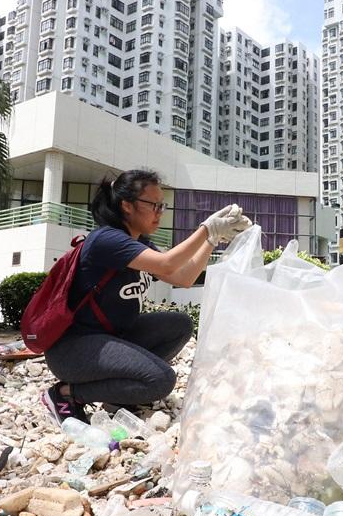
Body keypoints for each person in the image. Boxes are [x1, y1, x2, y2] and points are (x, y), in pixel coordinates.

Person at [40, 169, 252, 424]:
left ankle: (119, 395)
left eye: (162, 206)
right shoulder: (106, 240)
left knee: (179, 324)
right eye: (154, 205)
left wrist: (212, 240)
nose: (159, 212)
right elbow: (166, 264)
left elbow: (182, 278)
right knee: (160, 380)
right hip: (72, 349)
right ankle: (65, 394)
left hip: (108, 340)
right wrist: (207, 229)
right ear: (127, 206)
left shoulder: (140, 243)